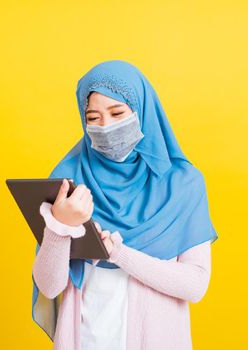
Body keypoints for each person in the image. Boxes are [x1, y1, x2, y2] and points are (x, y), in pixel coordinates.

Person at [31, 60, 219, 350]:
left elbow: (194, 285)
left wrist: (119, 253)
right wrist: (59, 226)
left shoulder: (182, 183)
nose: (105, 126)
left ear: (141, 110)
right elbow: (49, 286)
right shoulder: (68, 180)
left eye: (117, 113)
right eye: (92, 117)